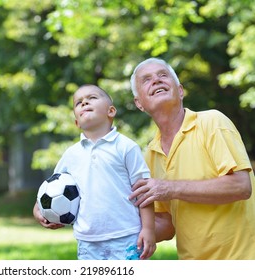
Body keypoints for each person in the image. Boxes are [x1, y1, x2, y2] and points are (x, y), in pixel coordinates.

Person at [128, 57, 255, 259]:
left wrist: (170, 188)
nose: (157, 80)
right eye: (147, 79)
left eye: (163, 75)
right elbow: (166, 224)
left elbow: (241, 186)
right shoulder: (150, 155)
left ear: (180, 90)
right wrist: (111, 231)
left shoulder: (212, 122)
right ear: (139, 103)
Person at [33, 84, 156, 260]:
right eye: (79, 103)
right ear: (77, 122)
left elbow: (144, 191)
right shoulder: (71, 154)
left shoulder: (126, 147)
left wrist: (148, 229)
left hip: (126, 237)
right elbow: (52, 187)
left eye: (92, 98)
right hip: (87, 241)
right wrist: (38, 209)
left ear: (111, 111)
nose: (84, 103)